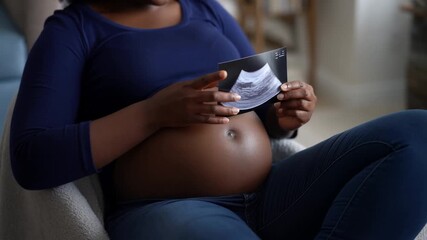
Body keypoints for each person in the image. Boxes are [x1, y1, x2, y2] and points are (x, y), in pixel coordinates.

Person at [9, 0, 427, 239]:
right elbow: (32, 158)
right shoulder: (72, 30)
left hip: (274, 194)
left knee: (416, 135)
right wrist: (152, 113)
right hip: (168, 209)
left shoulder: (205, 9)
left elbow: (263, 105)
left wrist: (287, 115)